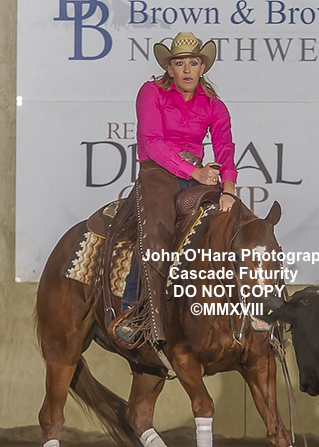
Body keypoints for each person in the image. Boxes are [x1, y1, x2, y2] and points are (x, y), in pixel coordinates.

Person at [111, 32, 238, 348]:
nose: (187, 69)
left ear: (202, 67)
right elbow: (152, 142)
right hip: (158, 171)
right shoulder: (151, 92)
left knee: (233, 226)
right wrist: (195, 172)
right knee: (156, 226)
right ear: (169, 68)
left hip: (197, 173)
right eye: (180, 63)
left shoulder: (214, 105)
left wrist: (229, 188)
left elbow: (224, 147)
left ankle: (240, 313)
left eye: (193, 63)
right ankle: (132, 308)